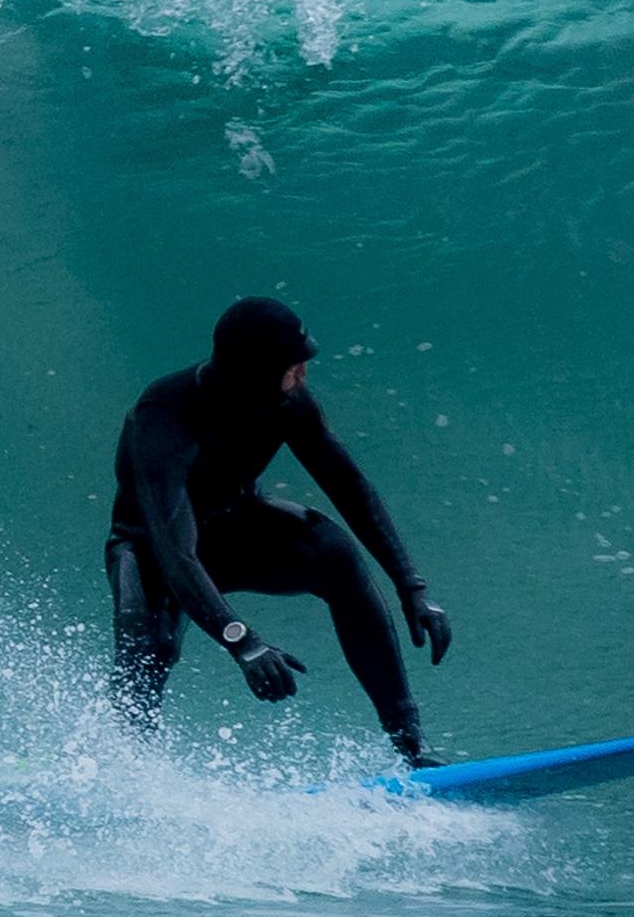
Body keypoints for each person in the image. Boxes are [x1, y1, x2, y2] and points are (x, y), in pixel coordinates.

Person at [105, 296, 455, 764]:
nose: (303, 374)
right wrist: (243, 642)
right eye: (294, 365)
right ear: (254, 370)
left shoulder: (287, 403)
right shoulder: (165, 416)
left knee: (333, 552)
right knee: (151, 646)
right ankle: (122, 766)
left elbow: (350, 488)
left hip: (235, 531)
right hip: (155, 552)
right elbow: (176, 553)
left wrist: (411, 585)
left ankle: (410, 743)